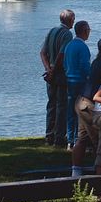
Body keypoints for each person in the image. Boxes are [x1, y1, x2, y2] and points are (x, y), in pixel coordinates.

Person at [40, 9, 75, 147]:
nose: (74, 21)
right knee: (61, 106)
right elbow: (62, 55)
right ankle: (59, 137)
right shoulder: (67, 34)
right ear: (70, 20)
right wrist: (53, 71)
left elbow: (42, 52)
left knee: (51, 105)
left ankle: (49, 135)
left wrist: (47, 69)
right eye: (73, 19)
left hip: (50, 75)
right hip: (60, 75)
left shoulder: (51, 31)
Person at [63, 20, 91, 149]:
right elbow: (85, 66)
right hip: (80, 81)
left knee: (70, 111)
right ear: (84, 31)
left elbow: (65, 63)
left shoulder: (69, 45)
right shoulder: (83, 47)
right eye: (88, 30)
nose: (89, 33)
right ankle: (79, 139)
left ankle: (70, 140)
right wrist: (90, 78)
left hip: (69, 80)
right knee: (82, 112)